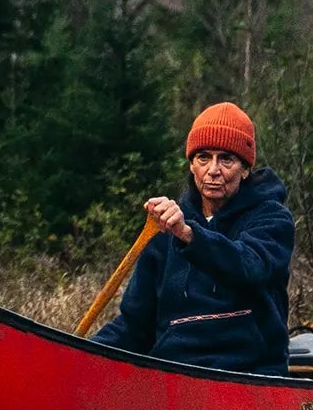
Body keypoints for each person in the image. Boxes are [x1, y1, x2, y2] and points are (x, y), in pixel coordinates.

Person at [93, 102, 293, 374]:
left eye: (226, 159)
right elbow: (135, 325)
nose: (213, 169)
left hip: (249, 373)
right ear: (191, 165)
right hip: (175, 375)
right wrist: (80, 356)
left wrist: (188, 235)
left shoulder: (272, 218)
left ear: (245, 169)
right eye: (203, 158)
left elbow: (249, 265)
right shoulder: (163, 229)